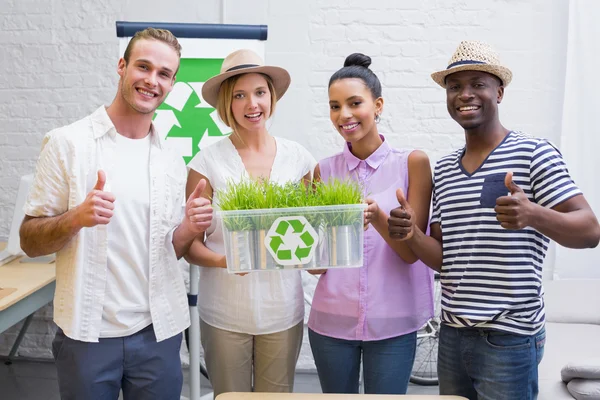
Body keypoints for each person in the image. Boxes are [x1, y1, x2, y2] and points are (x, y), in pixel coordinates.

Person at [387, 40, 600, 399]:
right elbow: (443, 258)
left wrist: (533, 214)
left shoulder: (534, 153)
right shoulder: (444, 169)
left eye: (477, 84)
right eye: (455, 86)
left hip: (510, 339)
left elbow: (590, 231)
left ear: (499, 93)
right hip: (452, 336)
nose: (464, 94)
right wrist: (410, 235)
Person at [19, 28, 213, 399]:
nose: (152, 80)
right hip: (88, 337)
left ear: (172, 84)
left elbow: (166, 251)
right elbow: (30, 241)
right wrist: (76, 217)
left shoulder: (171, 158)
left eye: (164, 74)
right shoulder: (68, 143)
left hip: (157, 334)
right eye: (143, 67)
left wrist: (187, 229)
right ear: (122, 67)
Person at [184, 49, 316, 397]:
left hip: (282, 310)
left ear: (272, 96)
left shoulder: (300, 159)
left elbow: (317, 237)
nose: (251, 103)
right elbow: (188, 244)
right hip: (224, 312)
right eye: (239, 95)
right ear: (227, 103)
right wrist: (224, 260)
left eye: (259, 92)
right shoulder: (207, 162)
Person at [306, 53, 435, 394]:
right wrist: (301, 230)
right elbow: (317, 267)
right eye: (335, 106)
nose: (344, 115)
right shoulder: (323, 170)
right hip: (330, 323)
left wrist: (377, 217)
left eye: (354, 103)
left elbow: (412, 253)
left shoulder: (413, 164)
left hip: (393, 324)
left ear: (377, 105)